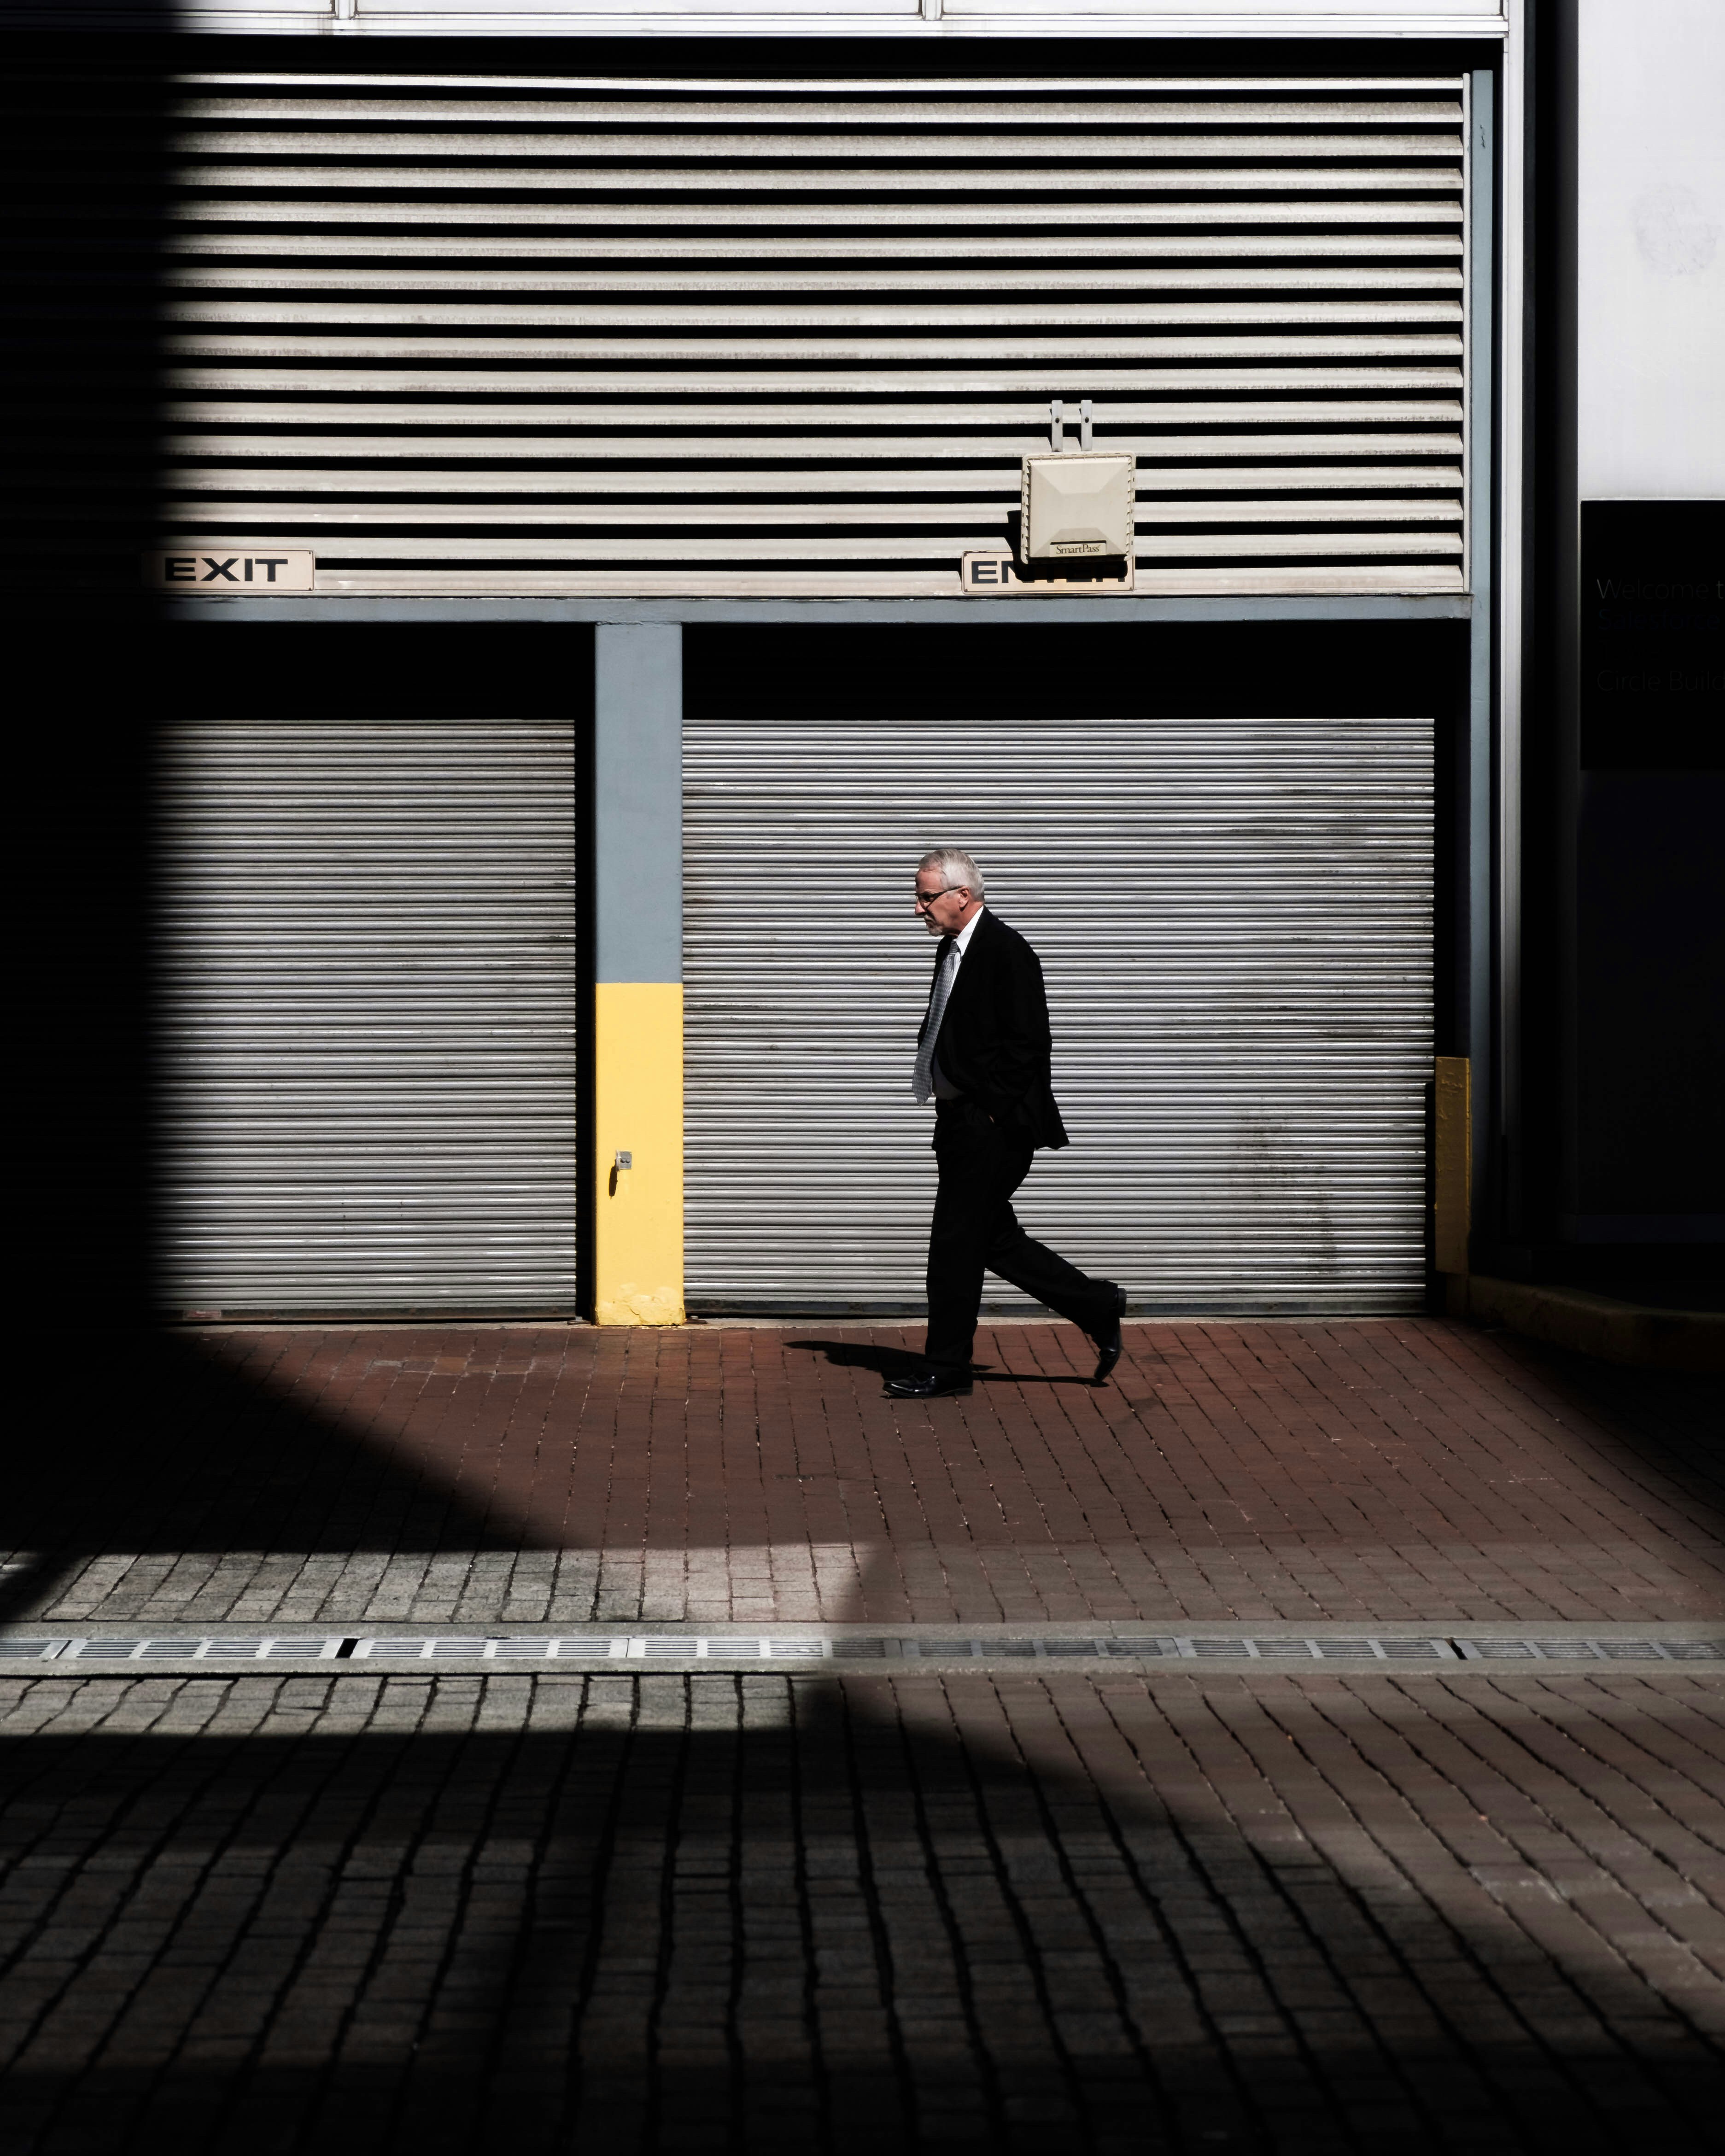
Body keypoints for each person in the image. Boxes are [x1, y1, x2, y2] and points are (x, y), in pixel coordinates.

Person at [884, 847, 1127, 1400]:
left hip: (992, 1127)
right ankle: (1097, 1304)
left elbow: (1029, 1046)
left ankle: (946, 1368)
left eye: (925, 897)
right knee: (991, 1238)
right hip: (960, 1123)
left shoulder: (1006, 952)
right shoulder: (953, 950)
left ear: (961, 896)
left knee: (953, 1244)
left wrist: (985, 1110)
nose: (916, 908)